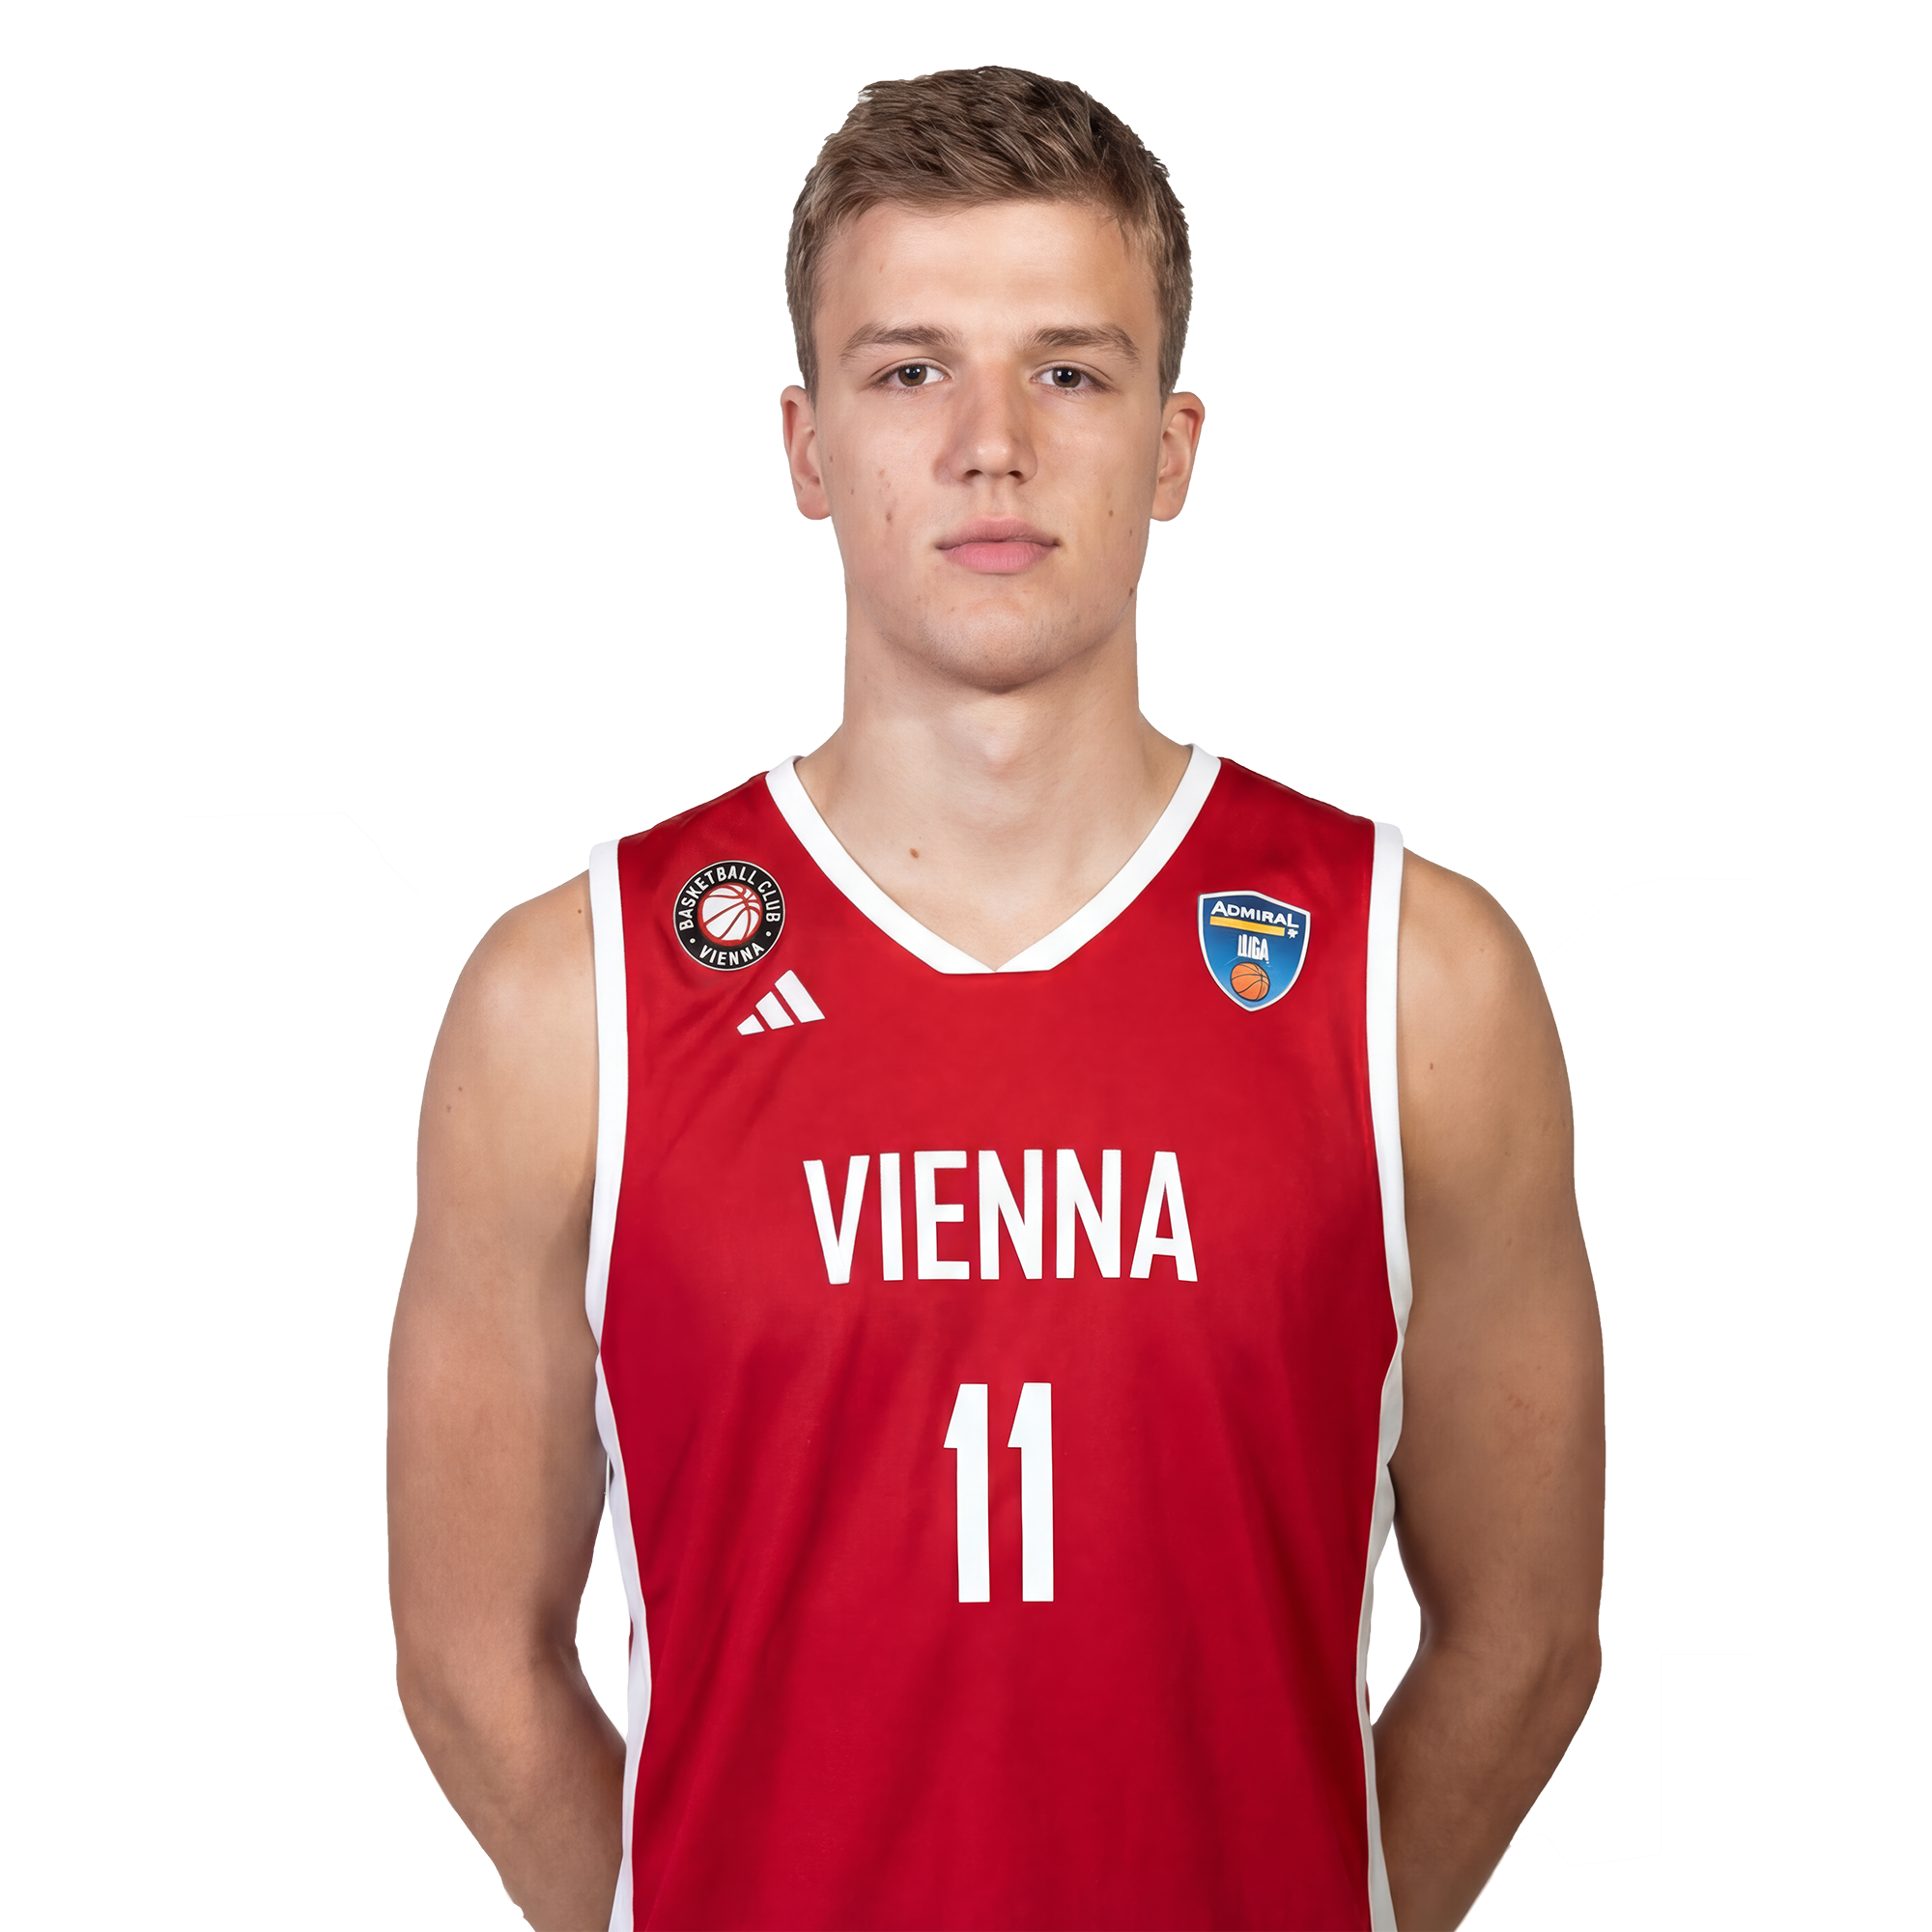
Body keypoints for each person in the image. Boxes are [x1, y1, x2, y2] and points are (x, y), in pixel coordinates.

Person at [389, 64, 1605, 1932]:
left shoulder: (1413, 978)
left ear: (1175, 448)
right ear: (806, 448)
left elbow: (1523, 1643)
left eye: (1069, 371)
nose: (990, 445)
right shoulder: (573, 1001)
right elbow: (474, 1664)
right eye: (908, 371)